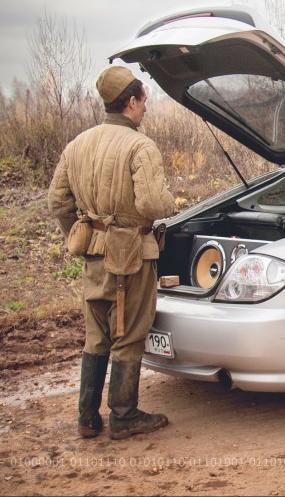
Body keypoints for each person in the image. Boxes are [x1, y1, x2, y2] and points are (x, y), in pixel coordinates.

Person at [48, 66, 176, 438]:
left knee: (97, 334)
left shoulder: (77, 144)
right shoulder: (140, 146)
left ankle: (87, 419)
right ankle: (124, 416)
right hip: (132, 252)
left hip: (94, 253)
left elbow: (58, 203)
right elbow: (153, 204)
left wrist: (83, 231)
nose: (146, 109)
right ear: (131, 102)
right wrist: (171, 202)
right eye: (144, 102)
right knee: (130, 333)